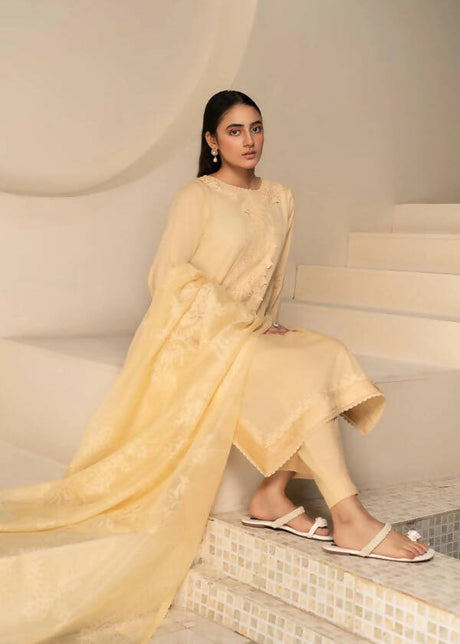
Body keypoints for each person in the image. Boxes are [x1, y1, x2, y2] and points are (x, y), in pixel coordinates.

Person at [0, 90, 432, 644]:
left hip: (248, 334)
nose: (249, 140)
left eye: (256, 128)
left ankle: (272, 495)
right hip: (196, 339)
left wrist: (264, 326)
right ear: (211, 141)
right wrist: (236, 321)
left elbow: (270, 281)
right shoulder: (196, 197)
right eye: (234, 131)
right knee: (306, 370)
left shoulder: (280, 197)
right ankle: (348, 515)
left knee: (323, 352)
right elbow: (167, 277)